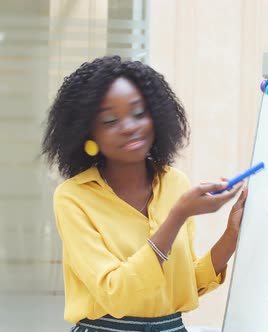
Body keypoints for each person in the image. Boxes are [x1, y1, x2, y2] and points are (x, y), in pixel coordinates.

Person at [42, 55, 248, 332]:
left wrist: (231, 236)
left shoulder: (175, 183)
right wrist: (178, 215)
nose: (129, 127)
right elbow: (115, 294)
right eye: (110, 120)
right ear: (87, 134)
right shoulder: (74, 198)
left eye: (139, 113)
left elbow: (185, 283)